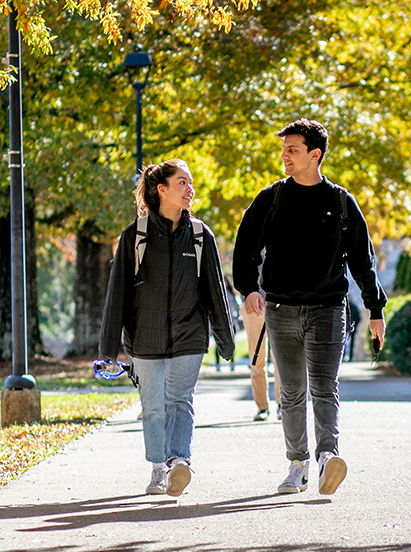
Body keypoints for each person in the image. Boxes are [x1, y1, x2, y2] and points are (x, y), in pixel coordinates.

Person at [233, 119, 387, 496]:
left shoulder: (340, 201)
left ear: (314, 155)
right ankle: (297, 463)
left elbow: (362, 261)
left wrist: (375, 309)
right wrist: (249, 288)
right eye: (284, 149)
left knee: (323, 387)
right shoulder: (271, 199)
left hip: (328, 310)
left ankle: (327, 458)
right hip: (281, 309)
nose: (285, 156)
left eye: (292, 149)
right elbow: (245, 247)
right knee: (291, 393)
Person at [100, 158, 234, 497]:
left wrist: (225, 339)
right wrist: (107, 348)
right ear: (162, 190)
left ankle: (180, 462)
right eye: (182, 183)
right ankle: (158, 467)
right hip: (144, 338)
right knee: (153, 406)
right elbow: (117, 294)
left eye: (190, 184)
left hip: (189, 336)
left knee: (180, 401)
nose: (190, 190)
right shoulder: (136, 236)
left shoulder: (201, 236)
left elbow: (215, 291)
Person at [241, 290, 279, 421]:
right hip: (253, 307)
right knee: (256, 360)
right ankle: (262, 407)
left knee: (281, 361)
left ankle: (282, 404)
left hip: (278, 304)